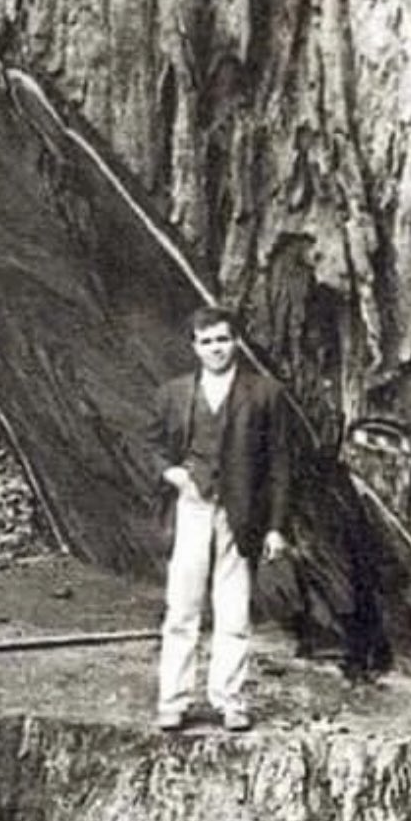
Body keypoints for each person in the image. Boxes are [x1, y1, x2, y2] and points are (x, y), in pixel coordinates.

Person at [146, 306, 292, 732]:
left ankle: (231, 700)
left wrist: (276, 526)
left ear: (236, 342)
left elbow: (280, 464)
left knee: (233, 612)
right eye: (207, 341)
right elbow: (152, 446)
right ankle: (173, 701)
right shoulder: (174, 393)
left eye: (223, 340)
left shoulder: (264, 393)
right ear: (194, 347)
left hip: (241, 513)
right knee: (182, 608)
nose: (216, 349)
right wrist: (171, 472)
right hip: (191, 508)